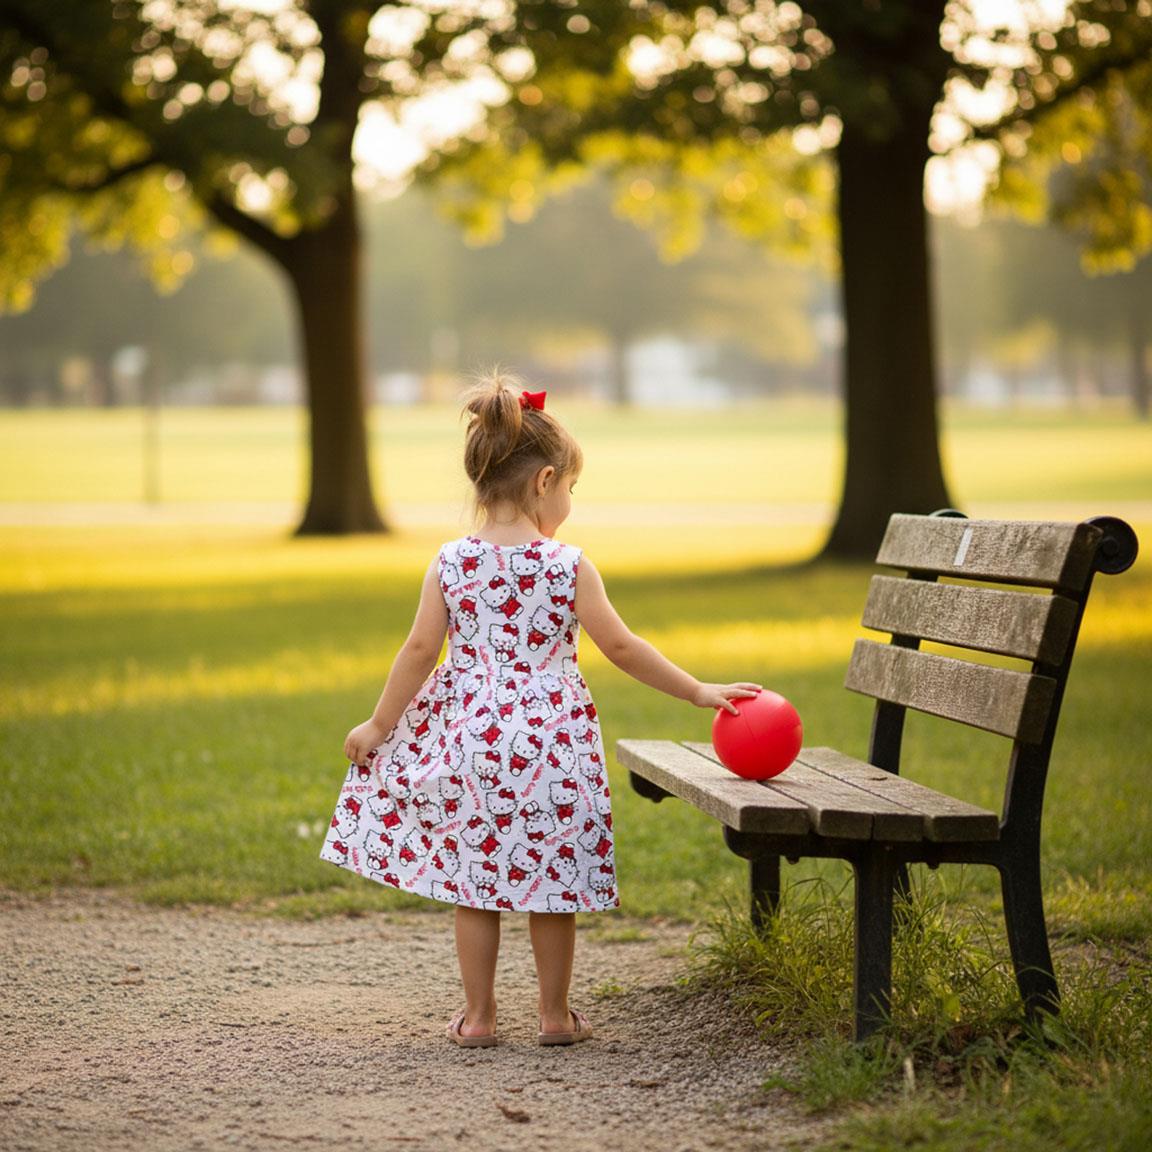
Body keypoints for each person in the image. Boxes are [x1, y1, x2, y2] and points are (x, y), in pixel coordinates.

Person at [319, 372, 760, 1048]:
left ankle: (478, 1018)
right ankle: (555, 1017)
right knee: (552, 880)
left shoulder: (451, 562)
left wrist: (380, 724)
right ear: (546, 481)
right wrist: (698, 690)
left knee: (477, 881)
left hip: (471, 744)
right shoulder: (567, 565)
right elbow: (619, 644)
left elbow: (417, 650)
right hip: (552, 744)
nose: (572, 504)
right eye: (574, 490)